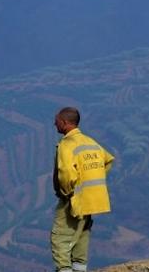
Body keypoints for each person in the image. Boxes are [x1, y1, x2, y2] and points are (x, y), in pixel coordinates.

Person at [51, 107, 114, 272]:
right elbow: (108, 160)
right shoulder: (90, 142)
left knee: (60, 239)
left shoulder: (67, 144)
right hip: (90, 199)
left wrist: (67, 192)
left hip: (73, 199)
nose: (54, 123)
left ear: (64, 123)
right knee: (81, 236)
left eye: (56, 120)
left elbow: (66, 174)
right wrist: (91, 182)